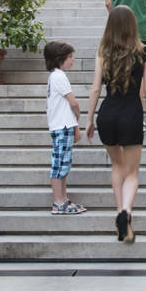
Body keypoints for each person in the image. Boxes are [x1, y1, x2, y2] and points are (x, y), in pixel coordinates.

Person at [85, 6, 146, 244]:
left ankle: (119, 214)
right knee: (132, 172)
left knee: (117, 164)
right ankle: (126, 211)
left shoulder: (103, 52)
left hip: (107, 114)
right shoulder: (143, 52)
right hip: (131, 114)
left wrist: (89, 119)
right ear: (133, 25)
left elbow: (95, 88)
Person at [44, 41, 86, 215]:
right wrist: (78, 115)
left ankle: (63, 199)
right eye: (69, 57)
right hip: (62, 126)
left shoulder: (56, 76)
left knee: (63, 164)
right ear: (59, 58)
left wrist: (75, 127)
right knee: (59, 164)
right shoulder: (59, 76)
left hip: (63, 125)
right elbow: (73, 103)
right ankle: (58, 202)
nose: (72, 60)